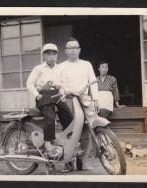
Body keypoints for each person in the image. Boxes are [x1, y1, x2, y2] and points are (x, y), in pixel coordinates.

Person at [59, 38, 99, 171]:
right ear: (65, 51)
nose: (72, 50)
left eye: (75, 47)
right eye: (69, 48)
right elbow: (58, 85)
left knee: (87, 132)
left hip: (84, 101)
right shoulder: (61, 66)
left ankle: (82, 164)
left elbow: (93, 82)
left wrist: (96, 100)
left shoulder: (86, 64)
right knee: (70, 132)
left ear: (79, 49)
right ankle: (68, 163)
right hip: (68, 101)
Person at [26, 43, 73, 157]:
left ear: (57, 56)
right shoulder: (38, 68)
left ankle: (66, 140)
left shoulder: (59, 69)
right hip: (44, 95)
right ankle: (48, 142)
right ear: (44, 56)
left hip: (57, 95)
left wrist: (61, 89)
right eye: (49, 54)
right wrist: (37, 94)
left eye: (54, 54)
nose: (52, 57)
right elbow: (29, 83)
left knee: (69, 116)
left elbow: (63, 84)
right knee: (50, 117)